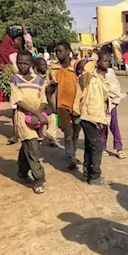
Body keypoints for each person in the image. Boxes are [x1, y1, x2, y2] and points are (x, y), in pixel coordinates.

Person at [10, 51, 48, 194]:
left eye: (25, 63)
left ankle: (22, 170)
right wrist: (36, 113)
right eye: (19, 62)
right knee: (32, 147)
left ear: (31, 64)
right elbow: (18, 100)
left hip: (37, 119)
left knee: (29, 145)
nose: (22, 65)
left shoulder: (38, 80)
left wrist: (38, 114)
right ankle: (39, 179)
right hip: (23, 117)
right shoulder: (15, 79)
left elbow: (43, 99)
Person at [79, 50, 112, 185]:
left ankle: (87, 174)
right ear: (97, 63)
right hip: (88, 116)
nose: (108, 63)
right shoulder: (89, 78)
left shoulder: (101, 79)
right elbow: (86, 69)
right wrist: (94, 57)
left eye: (109, 61)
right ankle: (95, 176)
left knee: (89, 146)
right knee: (97, 147)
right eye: (105, 61)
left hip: (97, 117)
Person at [49, 41, 82, 170]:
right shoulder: (54, 69)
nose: (58, 54)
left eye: (60, 51)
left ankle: (71, 152)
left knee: (76, 130)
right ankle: (71, 157)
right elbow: (48, 86)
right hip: (61, 104)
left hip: (77, 104)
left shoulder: (76, 68)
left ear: (68, 52)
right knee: (67, 132)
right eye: (56, 51)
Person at [101, 63, 126, 159]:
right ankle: (103, 147)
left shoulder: (111, 72)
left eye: (108, 61)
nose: (106, 63)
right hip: (101, 103)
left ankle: (119, 148)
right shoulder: (96, 74)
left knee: (114, 125)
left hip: (112, 103)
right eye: (104, 61)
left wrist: (116, 98)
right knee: (103, 127)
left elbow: (116, 87)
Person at [33, 57, 58, 148]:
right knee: (40, 121)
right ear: (36, 67)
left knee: (53, 120)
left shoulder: (49, 75)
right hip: (39, 103)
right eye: (42, 65)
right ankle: (39, 136)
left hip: (49, 102)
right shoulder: (34, 77)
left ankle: (51, 138)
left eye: (46, 65)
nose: (45, 67)